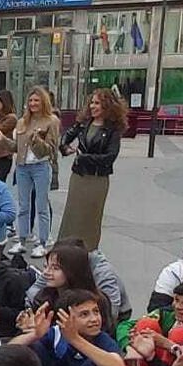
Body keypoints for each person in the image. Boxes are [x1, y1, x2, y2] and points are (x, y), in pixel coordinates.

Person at [58, 88, 126, 250]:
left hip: (97, 180)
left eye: (97, 103)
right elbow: (65, 138)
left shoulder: (112, 130)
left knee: (90, 218)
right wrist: (65, 148)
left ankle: (88, 250)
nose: (93, 106)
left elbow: (110, 157)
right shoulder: (84, 124)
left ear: (107, 106)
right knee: (72, 214)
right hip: (79, 177)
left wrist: (84, 157)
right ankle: (66, 248)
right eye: (92, 102)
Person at [12, 87, 60, 258]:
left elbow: (51, 150)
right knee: (23, 205)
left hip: (40, 165)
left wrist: (37, 140)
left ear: (43, 102)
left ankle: (43, 242)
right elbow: (15, 147)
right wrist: (1, 140)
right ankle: (22, 240)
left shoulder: (51, 121)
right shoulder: (22, 122)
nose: (32, 104)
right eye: (30, 101)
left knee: (41, 206)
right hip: (22, 166)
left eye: (36, 100)